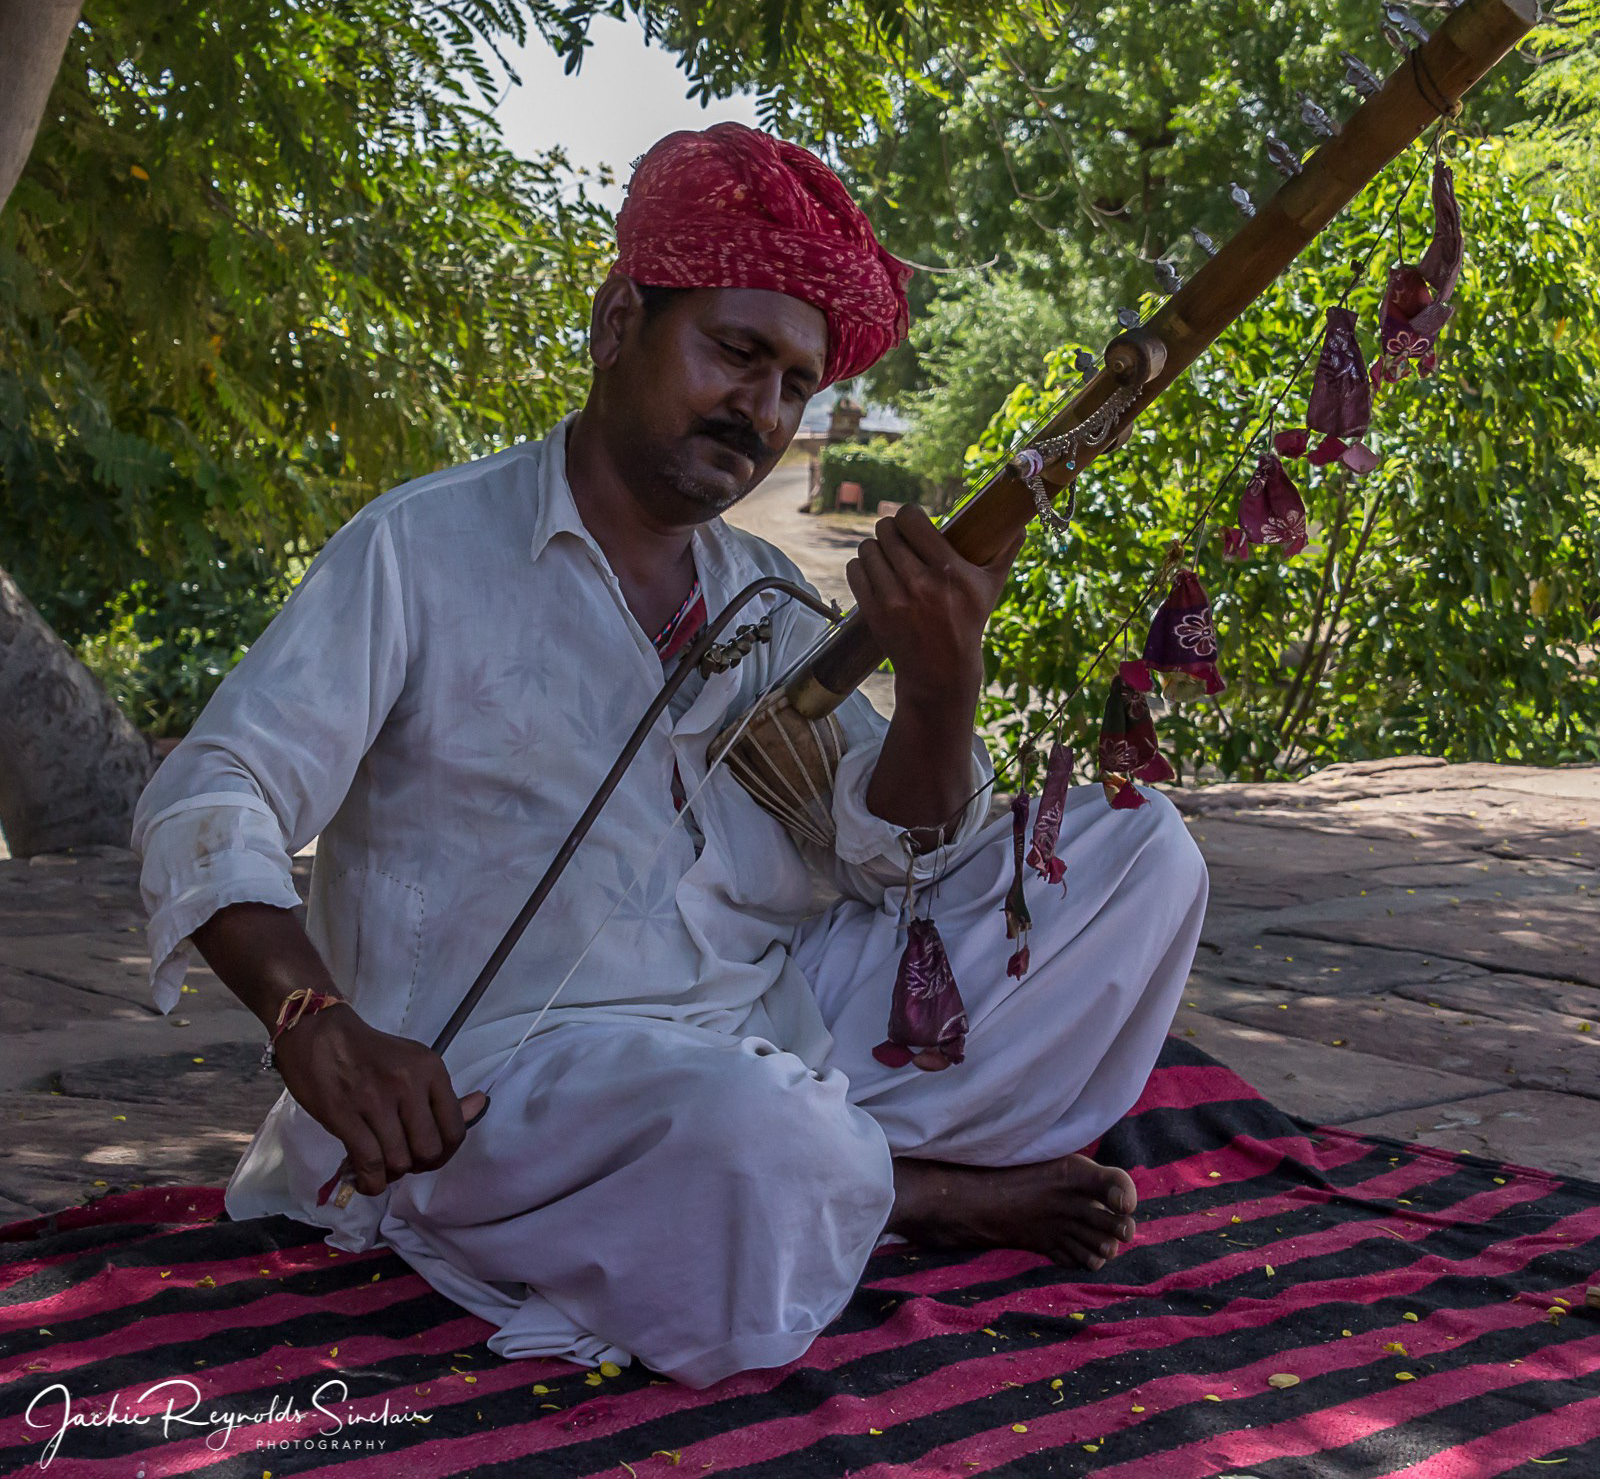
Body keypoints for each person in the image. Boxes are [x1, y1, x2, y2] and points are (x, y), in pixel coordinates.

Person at [133, 123, 1208, 1390]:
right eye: (735, 353)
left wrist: (939, 686)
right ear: (617, 323)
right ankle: (909, 1192)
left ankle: (827, 1175)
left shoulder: (762, 595)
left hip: (767, 1029)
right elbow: (215, 790)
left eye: (795, 384)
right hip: (502, 1095)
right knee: (763, 1138)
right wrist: (313, 1018)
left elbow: (895, 856)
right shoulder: (421, 552)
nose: (761, 409)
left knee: (1142, 854)